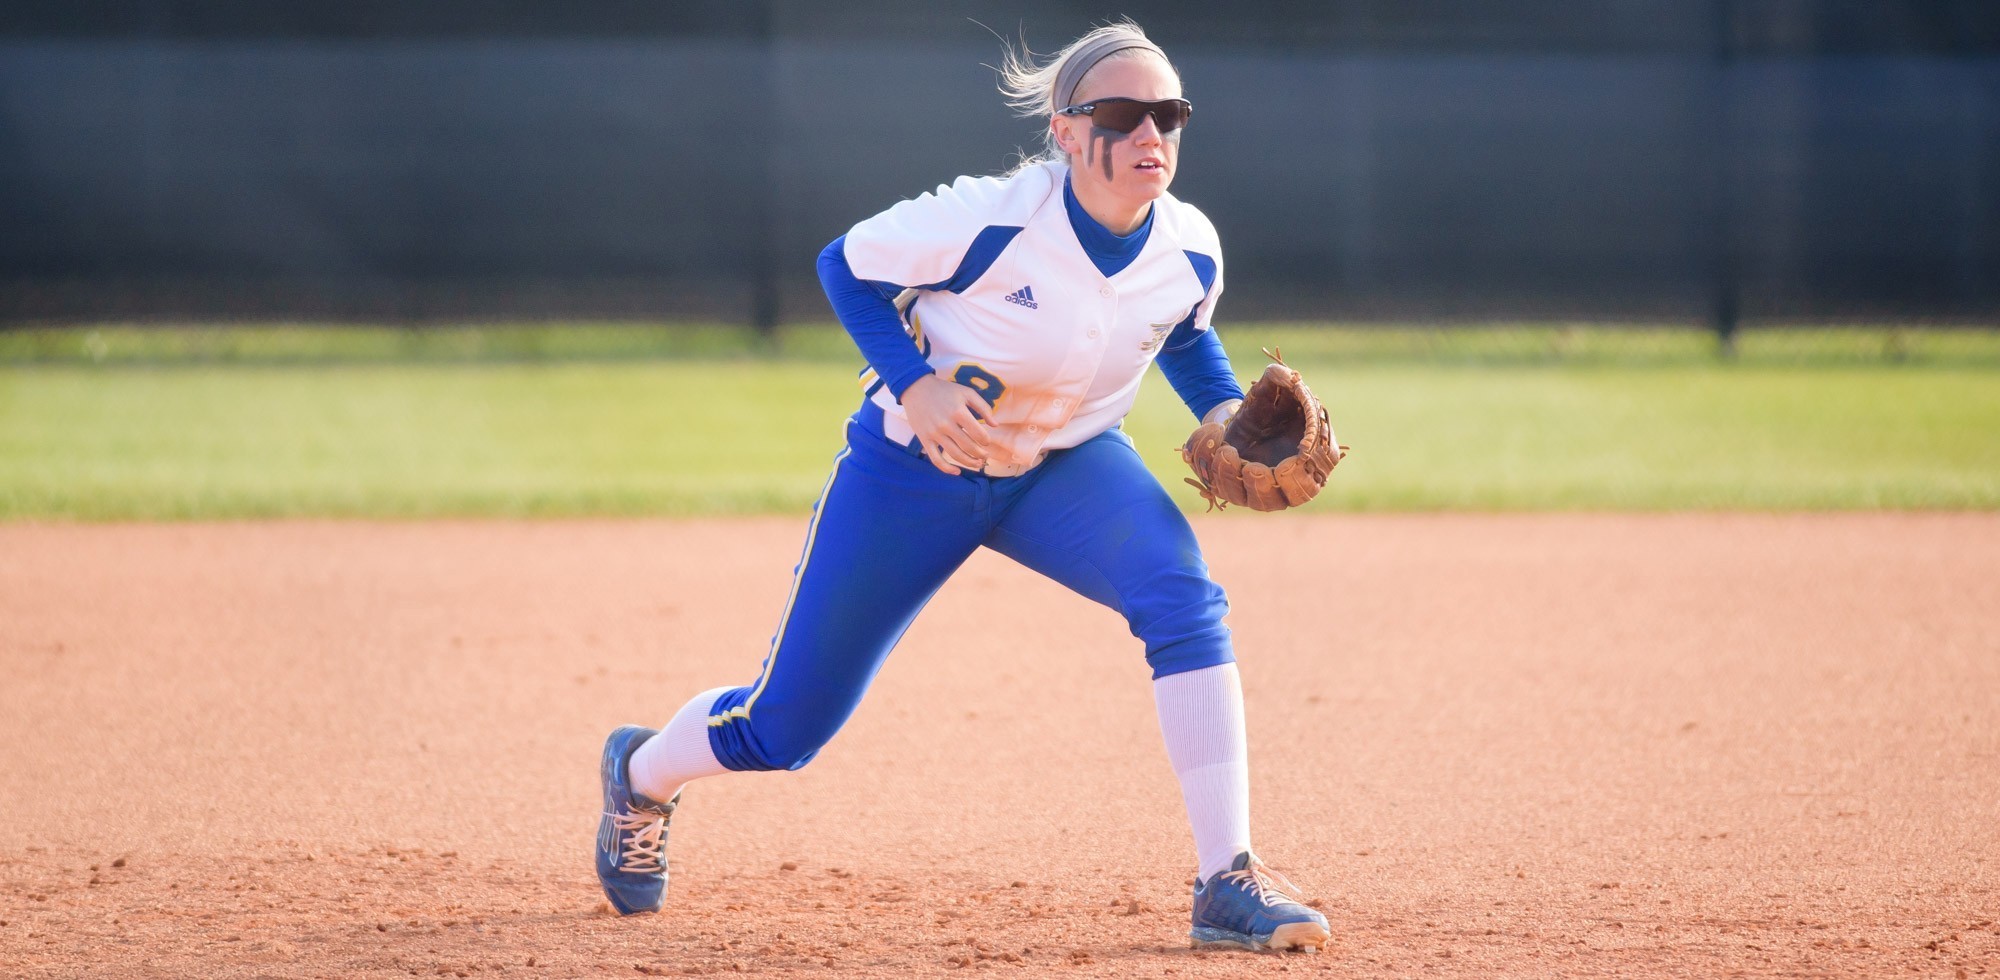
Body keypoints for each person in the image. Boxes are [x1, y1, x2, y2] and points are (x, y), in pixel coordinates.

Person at [594, 20, 1330, 953]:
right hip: (914, 472)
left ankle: (1228, 876)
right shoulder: (989, 219)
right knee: (787, 726)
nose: (1151, 134)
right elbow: (846, 265)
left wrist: (1226, 411)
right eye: (1122, 113)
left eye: (1169, 114)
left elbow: (1181, 332)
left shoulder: (1188, 246)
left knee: (1185, 599)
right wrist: (915, 383)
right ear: (1066, 131)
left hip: (1065, 467)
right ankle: (644, 772)